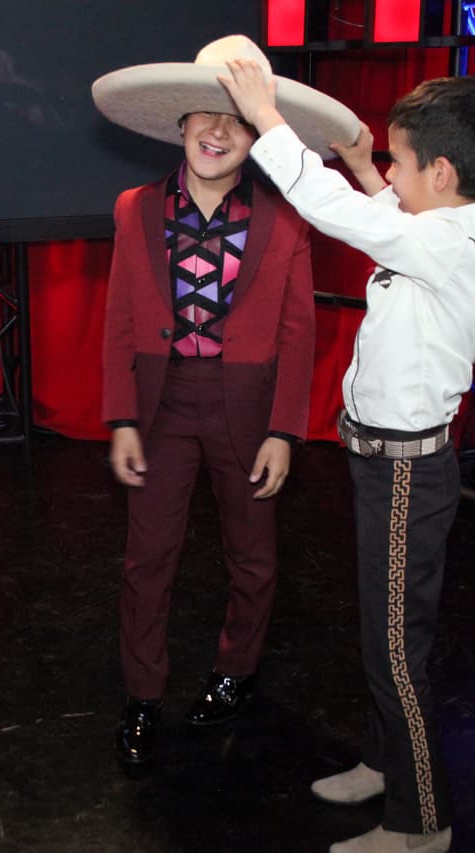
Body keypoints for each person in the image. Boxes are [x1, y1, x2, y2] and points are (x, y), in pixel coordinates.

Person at [220, 63, 475, 853]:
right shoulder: (447, 227)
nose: (388, 172)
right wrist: (363, 163)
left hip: (406, 473)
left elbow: (347, 219)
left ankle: (423, 823)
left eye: (398, 159)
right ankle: (388, 762)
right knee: (383, 634)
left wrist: (267, 121)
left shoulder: (454, 244)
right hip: (385, 464)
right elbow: (388, 211)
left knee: (396, 646)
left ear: (443, 172)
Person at [92, 35, 317, 773]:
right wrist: (121, 414)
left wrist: (285, 429)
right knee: (146, 558)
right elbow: (120, 316)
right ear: (179, 123)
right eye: (203, 116)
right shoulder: (134, 209)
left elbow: (298, 332)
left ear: (257, 134)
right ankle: (142, 694)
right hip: (161, 407)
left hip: (246, 409)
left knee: (252, 555)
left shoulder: (285, 219)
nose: (218, 132)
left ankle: (235, 672)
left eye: (238, 120)